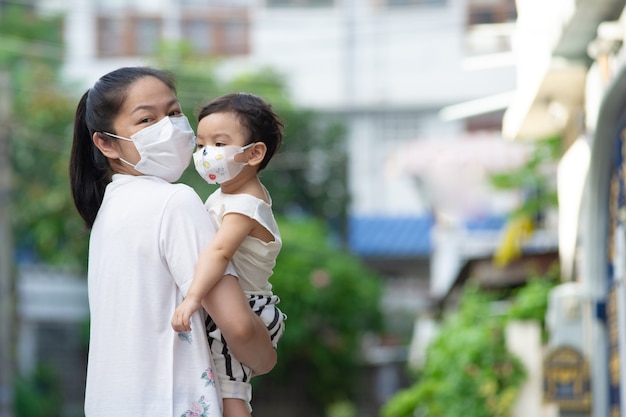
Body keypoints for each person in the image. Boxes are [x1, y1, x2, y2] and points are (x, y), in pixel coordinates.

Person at [69, 67, 276, 417]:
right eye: (146, 119)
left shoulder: (108, 210)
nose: (169, 127)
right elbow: (239, 327)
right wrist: (267, 355)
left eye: (174, 113)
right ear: (106, 142)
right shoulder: (175, 202)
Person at [170, 93, 285, 417]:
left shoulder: (246, 206)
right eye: (201, 145)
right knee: (220, 388)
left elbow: (218, 253)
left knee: (231, 393)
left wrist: (192, 298)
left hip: (249, 306)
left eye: (219, 144)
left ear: (254, 153)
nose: (206, 154)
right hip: (243, 305)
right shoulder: (227, 195)